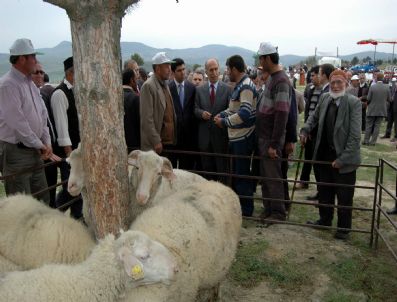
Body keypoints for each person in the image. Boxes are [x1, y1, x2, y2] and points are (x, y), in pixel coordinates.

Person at [300, 70, 361, 240]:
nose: (335, 86)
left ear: (346, 83)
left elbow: (355, 136)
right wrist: (305, 129)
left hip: (344, 159)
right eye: (333, 82)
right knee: (324, 190)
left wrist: (343, 159)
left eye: (339, 82)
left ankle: (343, 229)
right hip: (324, 154)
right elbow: (314, 117)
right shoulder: (325, 98)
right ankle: (325, 220)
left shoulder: (353, 103)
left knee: (344, 195)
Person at [0, 38, 53, 203]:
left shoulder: (29, 83)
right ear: (22, 59)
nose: (35, 61)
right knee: (22, 205)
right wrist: (41, 144)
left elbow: (42, 115)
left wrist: (47, 142)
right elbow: (18, 123)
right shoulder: (8, 85)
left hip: (34, 150)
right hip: (17, 152)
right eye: (33, 57)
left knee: (42, 197)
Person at [214, 55, 257, 217]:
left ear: (234, 69)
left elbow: (245, 113)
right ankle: (242, 206)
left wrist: (224, 122)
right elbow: (235, 109)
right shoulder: (240, 85)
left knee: (242, 174)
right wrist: (222, 114)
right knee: (238, 173)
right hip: (238, 136)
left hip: (243, 137)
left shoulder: (245, 86)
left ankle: (246, 210)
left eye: (227, 69)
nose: (227, 72)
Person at [256, 42, 291, 222]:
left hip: (271, 139)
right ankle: (268, 208)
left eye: (261, 59)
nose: (260, 62)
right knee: (265, 176)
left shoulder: (282, 81)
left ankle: (278, 212)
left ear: (268, 58)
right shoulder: (272, 78)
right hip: (264, 136)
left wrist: (274, 144)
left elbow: (282, 113)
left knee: (273, 177)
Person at [50, 56, 82, 219]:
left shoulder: (76, 91)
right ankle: (55, 214)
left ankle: (77, 219)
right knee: (71, 188)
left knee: (77, 191)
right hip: (69, 155)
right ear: (71, 73)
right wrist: (70, 156)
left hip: (77, 153)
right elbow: (62, 129)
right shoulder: (60, 94)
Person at [194, 58, 231, 183]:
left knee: (222, 173)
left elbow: (231, 110)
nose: (214, 72)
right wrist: (201, 113)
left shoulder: (227, 89)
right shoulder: (199, 90)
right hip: (205, 138)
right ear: (206, 72)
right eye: (211, 70)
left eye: (216, 69)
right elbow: (194, 109)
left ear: (219, 69)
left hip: (221, 137)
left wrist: (222, 118)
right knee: (207, 174)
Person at [32, 63, 60, 208]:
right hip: (37, 151)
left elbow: (46, 124)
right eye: (36, 72)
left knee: (51, 187)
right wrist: (43, 147)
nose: (40, 75)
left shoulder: (41, 95)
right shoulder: (28, 98)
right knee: (41, 194)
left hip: (49, 148)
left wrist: (50, 145)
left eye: (42, 72)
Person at [140, 52, 176, 154]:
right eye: (166, 66)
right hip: (156, 145)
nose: (170, 69)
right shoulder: (148, 86)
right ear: (157, 69)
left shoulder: (165, 84)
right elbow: (147, 119)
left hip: (168, 142)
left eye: (170, 65)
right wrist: (156, 140)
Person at [167, 58, 197, 169]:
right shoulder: (167, 89)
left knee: (186, 169)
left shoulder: (192, 88)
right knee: (172, 169)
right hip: (173, 138)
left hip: (188, 138)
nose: (183, 72)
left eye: (184, 69)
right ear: (173, 72)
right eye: (179, 70)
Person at [363, 73, 391, 146]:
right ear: (383, 78)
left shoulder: (372, 87)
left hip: (372, 109)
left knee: (369, 125)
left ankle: (366, 140)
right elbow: (389, 99)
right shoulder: (387, 87)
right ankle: (373, 142)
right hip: (381, 109)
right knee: (377, 126)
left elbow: (368, 98)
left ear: (376, 78)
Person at [122, 68, 140, 152]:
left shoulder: (114, 96)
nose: (137, 82)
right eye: (136, 79)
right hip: (133, 144)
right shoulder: (135, 98)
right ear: (131, 80)